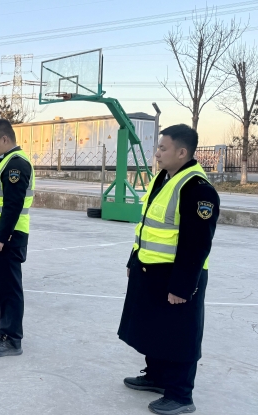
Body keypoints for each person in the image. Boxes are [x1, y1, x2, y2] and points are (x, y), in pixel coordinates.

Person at [118, 124, 219, 415]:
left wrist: (182, 286)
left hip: (179, 275)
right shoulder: (162, 179)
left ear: (182, 152)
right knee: (154, 327)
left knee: (180, 334)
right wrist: (133, 260)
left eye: (163, 148)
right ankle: (157, 377)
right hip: (150, 269)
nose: (158, 153)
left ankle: (179, 395)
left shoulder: (197, 189)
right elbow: (147, 226)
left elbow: (197, 244)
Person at [0, 119, 35, 357]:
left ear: (5, 139)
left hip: (9, 237)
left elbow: (13, 206)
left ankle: (12, 339)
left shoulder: (15, 165)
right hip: (0, 235)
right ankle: (3, 325)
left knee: (10, 288)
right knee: (1, 285)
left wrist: (0, 237)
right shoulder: (3, 162)